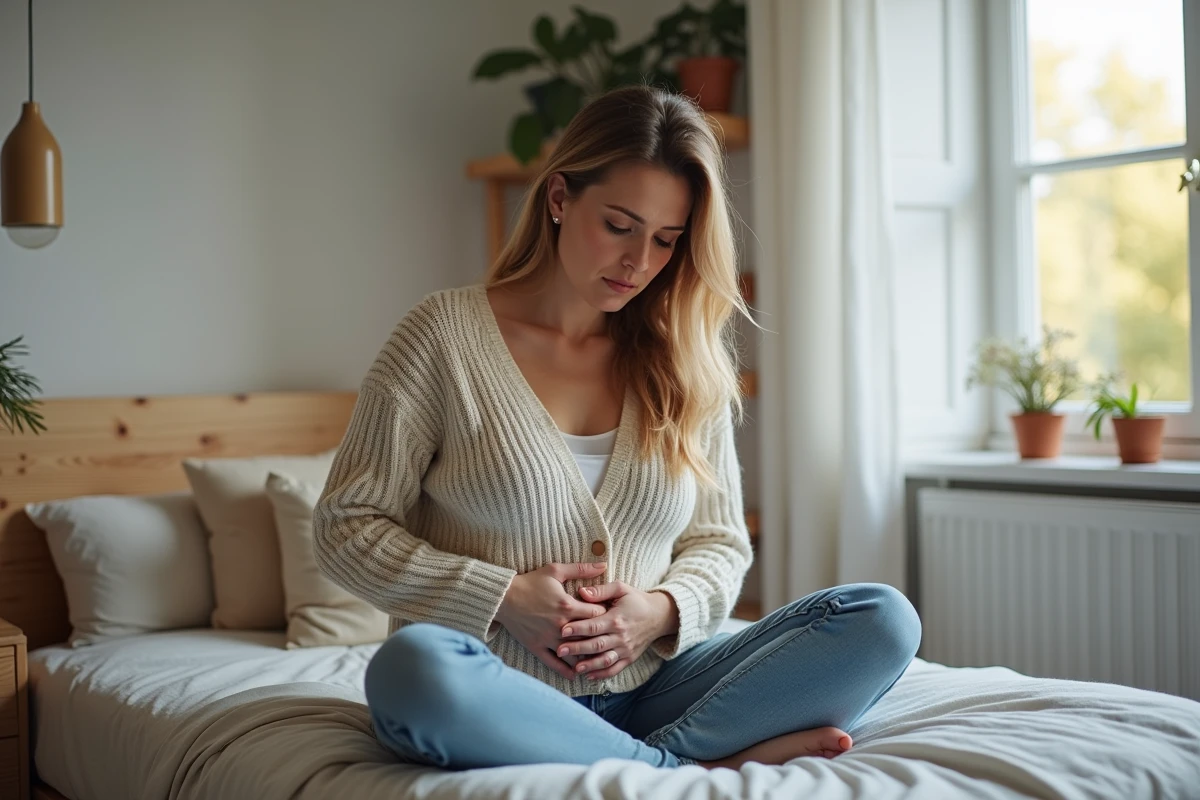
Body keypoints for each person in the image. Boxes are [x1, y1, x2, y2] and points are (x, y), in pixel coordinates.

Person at [312, 84, 921, 771]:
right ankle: (678, 769)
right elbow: (346, 525)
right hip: (491, 689)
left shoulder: (683, 354)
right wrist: (504, 597)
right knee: (410, 671)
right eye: (620, 225)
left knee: (881, 618)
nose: (639, 262)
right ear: (559, 199)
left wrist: (658, 611)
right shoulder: (442, 339)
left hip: (655, 687)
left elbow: (718, 542)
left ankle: (646, 759)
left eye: (666, 240)